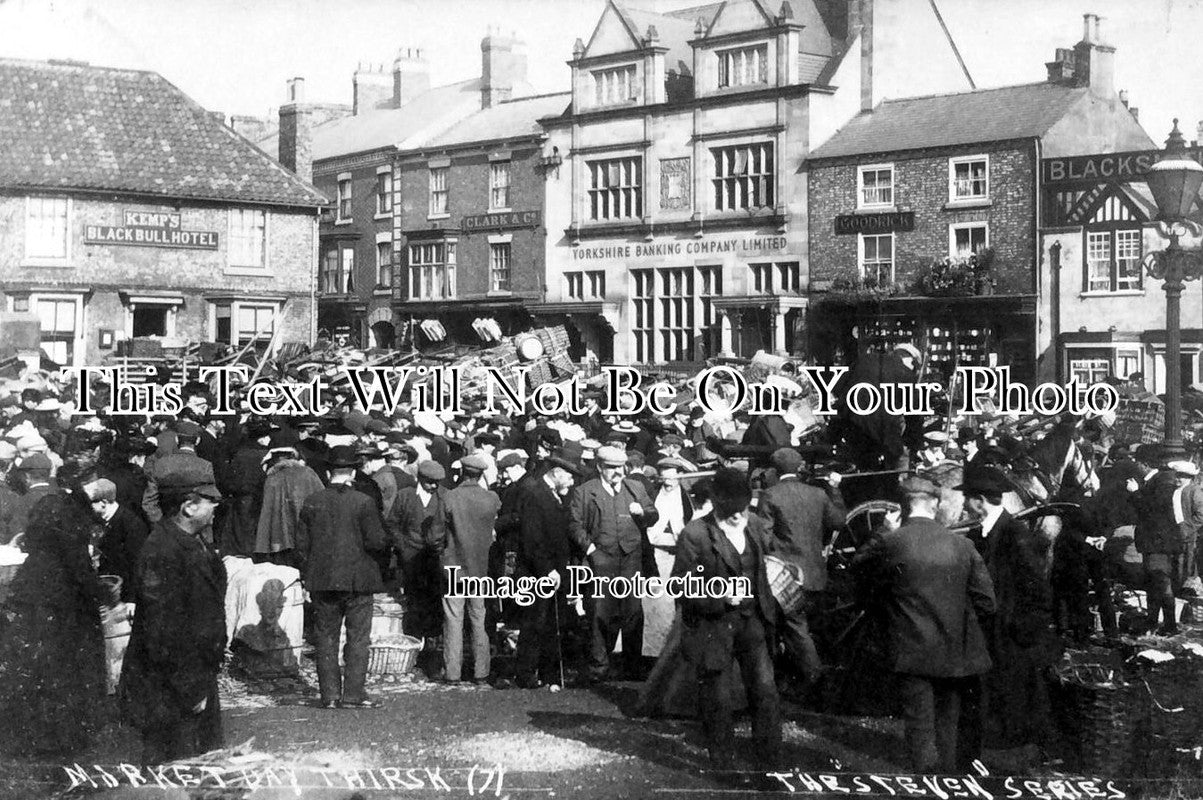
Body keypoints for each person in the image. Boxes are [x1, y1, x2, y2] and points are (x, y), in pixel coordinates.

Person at [853, 475, 995, 773]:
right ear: (937, 504)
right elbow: (986, 603)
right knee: (948, 722)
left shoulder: (892, 542)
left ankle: (924, 782)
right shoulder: (963, 545)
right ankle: (947, 780)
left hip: (910, 648)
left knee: (919, 724)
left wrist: (882, 531)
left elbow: (860, 571)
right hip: (955, 651)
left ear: (902, 507)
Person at [672, 468, 781, 778]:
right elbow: (679, 586)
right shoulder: (695, 534)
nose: (739, 516)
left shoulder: (755, 525)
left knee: (765, 693)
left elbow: (768, 562)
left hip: (752, 623)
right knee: (718, 700)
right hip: (712, 628)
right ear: (717, 505)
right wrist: (719, 597)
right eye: (732, 511)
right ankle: (723, 767)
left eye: (743, 508)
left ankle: (770, 768)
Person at [119, 461, 227, 764]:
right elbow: (162, 630)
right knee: (179, 769)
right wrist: (191, 690)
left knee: (198, 768)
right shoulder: (163, 550)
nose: (216, 507)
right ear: (189, 506)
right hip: (174, 689)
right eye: (211, 501)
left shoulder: (189, 542)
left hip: (191, 679)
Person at [957, 465, 1058, 761]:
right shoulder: (982, 534)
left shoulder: (1015, 535)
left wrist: (1020, 631)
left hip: (1011, 638)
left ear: (979, 501)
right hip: (990, 635)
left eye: (967, 498)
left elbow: (1039, 592)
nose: (963, 504)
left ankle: (1016, 757)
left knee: (1016, 700)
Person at [0, 491, 108, 757]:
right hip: (63, 615)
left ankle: (33, 735)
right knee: (64, 676)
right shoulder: (70, 543)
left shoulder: (36, 553)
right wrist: (103, 594)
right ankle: (62, 739)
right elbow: (83, 576)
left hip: (35, 611)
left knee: (35, 675)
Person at [296, 445, 388, 709]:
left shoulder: (313, 501)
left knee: (326, 637)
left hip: (323, 580)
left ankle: (330, 696)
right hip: (358, 580)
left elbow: (301, 545)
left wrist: (309, 571)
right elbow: (376, 541)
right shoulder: (364, 501)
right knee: (358, 638)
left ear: (328, 471)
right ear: (353, 472)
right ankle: (353, 695)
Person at [755, 447, 845, 693]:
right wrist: (835, 489)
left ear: (774, 470)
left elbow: (763, 537)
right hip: (816, 575)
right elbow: (838, 521)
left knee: (794, 627)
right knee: (803, 626)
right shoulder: (818, 494)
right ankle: (798, 678)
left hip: (785, 578)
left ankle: (815, 679)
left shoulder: (770, 495)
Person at [568, 445, 659, 682]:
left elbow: (653, 514)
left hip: (630, 558)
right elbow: (574, 525)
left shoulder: (636, 487)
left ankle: (632, 665)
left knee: (632, 612)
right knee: (599, 613)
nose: (617, 472)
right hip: (602, 559)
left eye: (620, 467)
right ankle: (599, 665)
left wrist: (644, 513)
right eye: (611, 468)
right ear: (599, 467)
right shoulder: (585, 492)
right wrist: (591, 549)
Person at [508, 453, 579, 689]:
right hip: (537, 573)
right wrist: (547, 570)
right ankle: (526, 673)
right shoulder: (534, 495)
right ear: (556, 474)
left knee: (551, 624)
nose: (570, 482)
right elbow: (532, 539)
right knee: (534, 623)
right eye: (568, 477)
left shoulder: (554, 495)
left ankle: (548, 673)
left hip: (555, 573)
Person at [439, 453, 501, 684]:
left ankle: (453, 672)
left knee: (453, 619)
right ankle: (481, 671)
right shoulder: (491, 498)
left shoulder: (450, 497)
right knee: (478, 618)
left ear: (461, 473)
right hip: (480, 569)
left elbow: (436, 534)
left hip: (454, 567)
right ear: (481, 474)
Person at [1130, 459, 1203, 634]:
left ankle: (1169, 625)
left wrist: (1136, 493)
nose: (1178, 478)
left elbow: (1151, 511)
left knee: (1161, 581)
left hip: (1159, 542)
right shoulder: (1169, 485)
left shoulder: (1163, 483)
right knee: (1156, 582)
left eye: (1182, 476)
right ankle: (1155, 622)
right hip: (1160, 541)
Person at [85, 476, 148, 603]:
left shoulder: (131, 525)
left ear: (103, 503)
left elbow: (137, 565)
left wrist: (132, 600)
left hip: (123, 595)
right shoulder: (97, 521)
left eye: (90, 503)